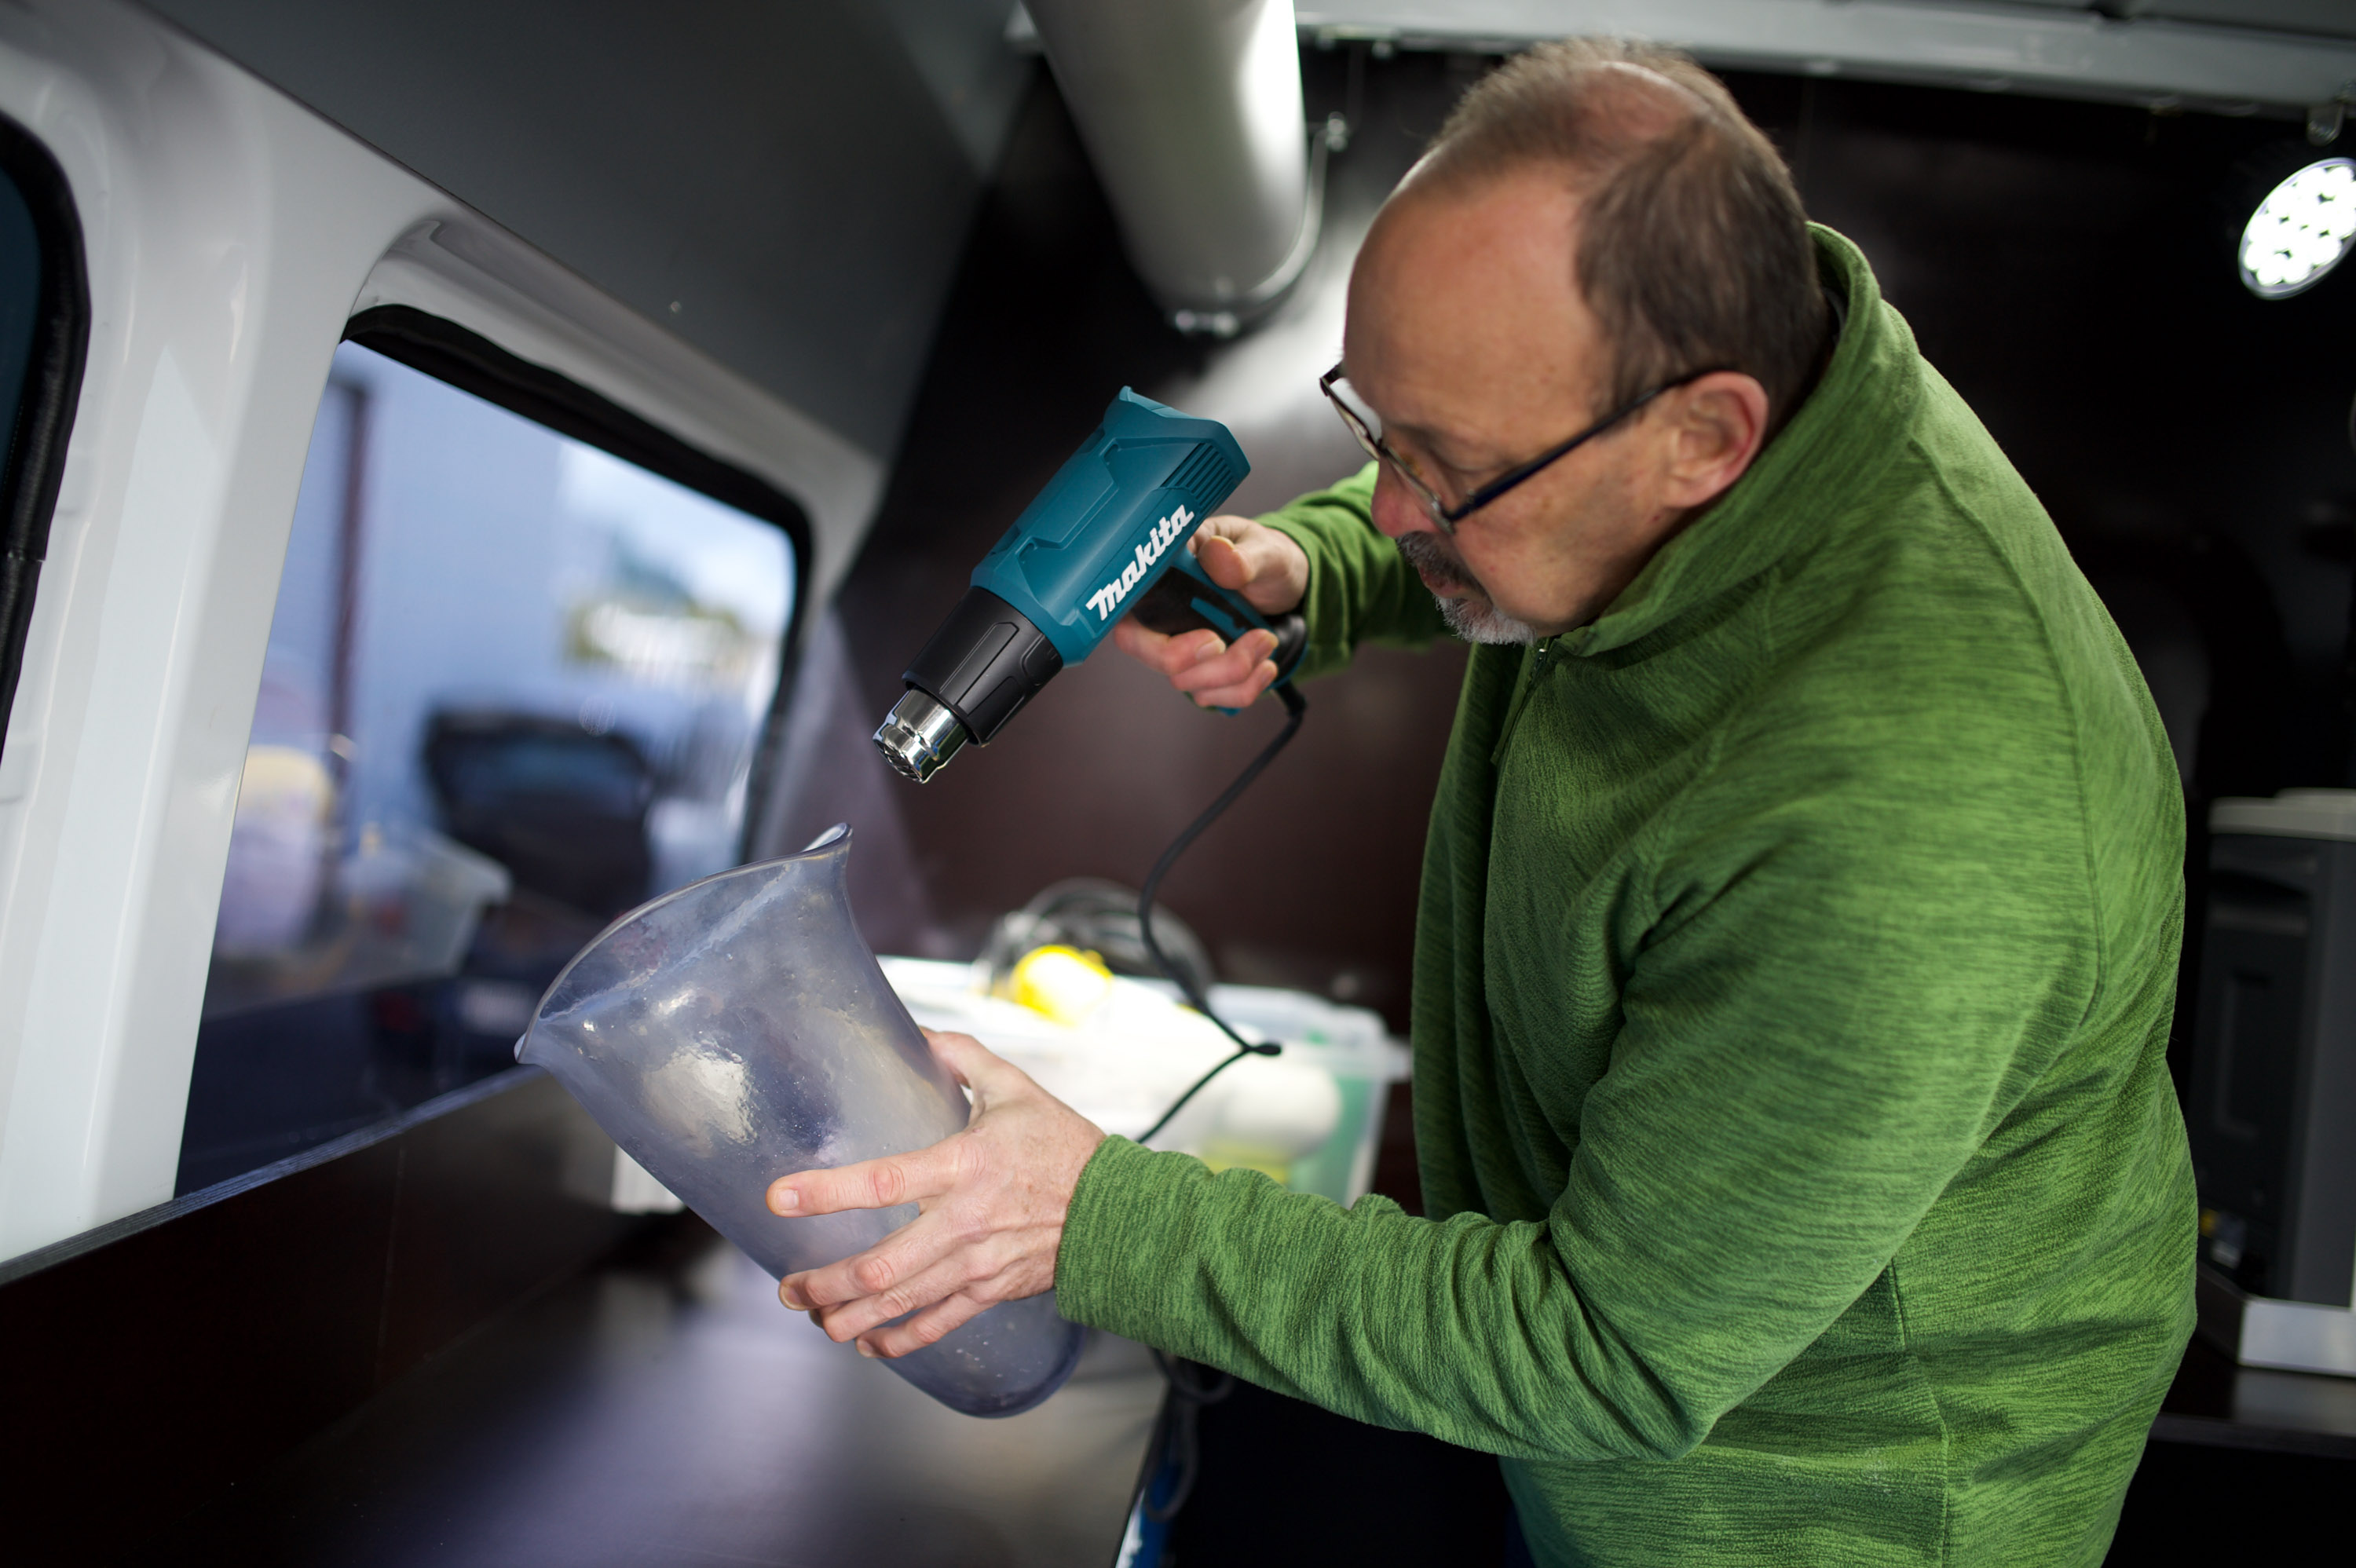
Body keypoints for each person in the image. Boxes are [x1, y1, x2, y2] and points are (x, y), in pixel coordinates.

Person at [766, 40, 2195, 1566]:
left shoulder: (1907, 815)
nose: (1392, 501)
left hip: (1810, 1510)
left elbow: (1610, 1354)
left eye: (1437, 471)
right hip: (1595, 1427)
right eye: (1378, 428)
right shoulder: (1736, 399)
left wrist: (1095, 1218)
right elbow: (1504, 524)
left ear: (1705, 439)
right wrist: (1317, 570)